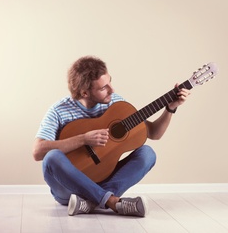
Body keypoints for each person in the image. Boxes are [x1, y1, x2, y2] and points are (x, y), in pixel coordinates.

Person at [33, 55, 190, 217]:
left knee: (147, 153)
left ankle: (93, 202)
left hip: (104, 181)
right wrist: (83, 139)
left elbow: (154, 133)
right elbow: (37, 152)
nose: (112, 90)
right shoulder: (59, 110)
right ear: (85, 93)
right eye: (103, 88)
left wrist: (170, 108)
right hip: (69, 189)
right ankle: (112, 201)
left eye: (110, 82)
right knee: (51, 157)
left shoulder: (116, 103)